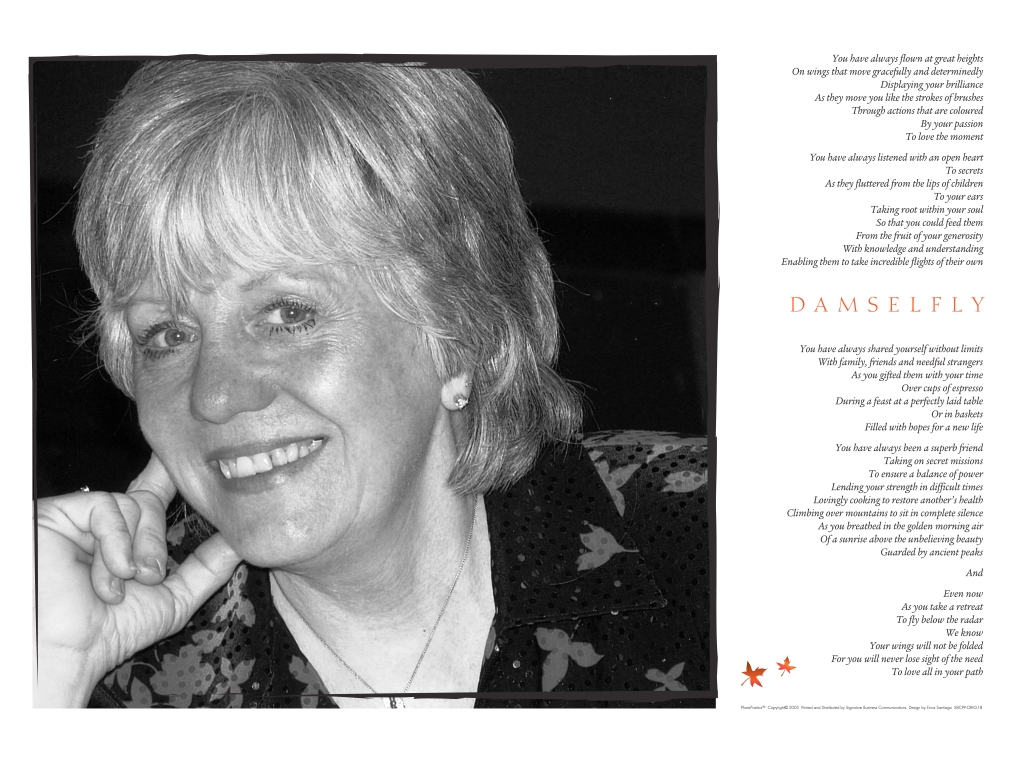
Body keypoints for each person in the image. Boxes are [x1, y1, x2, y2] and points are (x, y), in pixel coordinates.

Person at [34, 60, 710, 708]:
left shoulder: (711, 541)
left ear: (458, 328)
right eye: (167, 336)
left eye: (287, 315)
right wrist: (48, 675)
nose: (212, 396)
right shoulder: (114, 673)